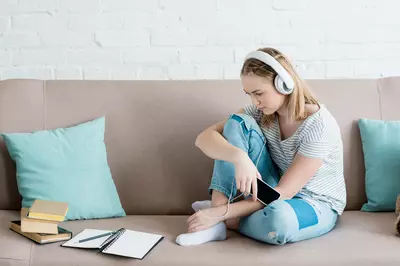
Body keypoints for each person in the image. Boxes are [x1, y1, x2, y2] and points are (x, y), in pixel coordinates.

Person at [175, 47, 346, 246]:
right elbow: (204, 138)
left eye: (259, 93)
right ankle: (218, 218)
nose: (255, 102)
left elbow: (284, 192)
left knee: (280, 222)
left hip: (314, 204)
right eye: (249, 94)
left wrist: (218, 213)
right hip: (272, 193)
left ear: (284, 84)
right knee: (236, 122)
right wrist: (238, 157)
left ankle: (221, 217)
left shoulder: (320, 125)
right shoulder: (260, 112)